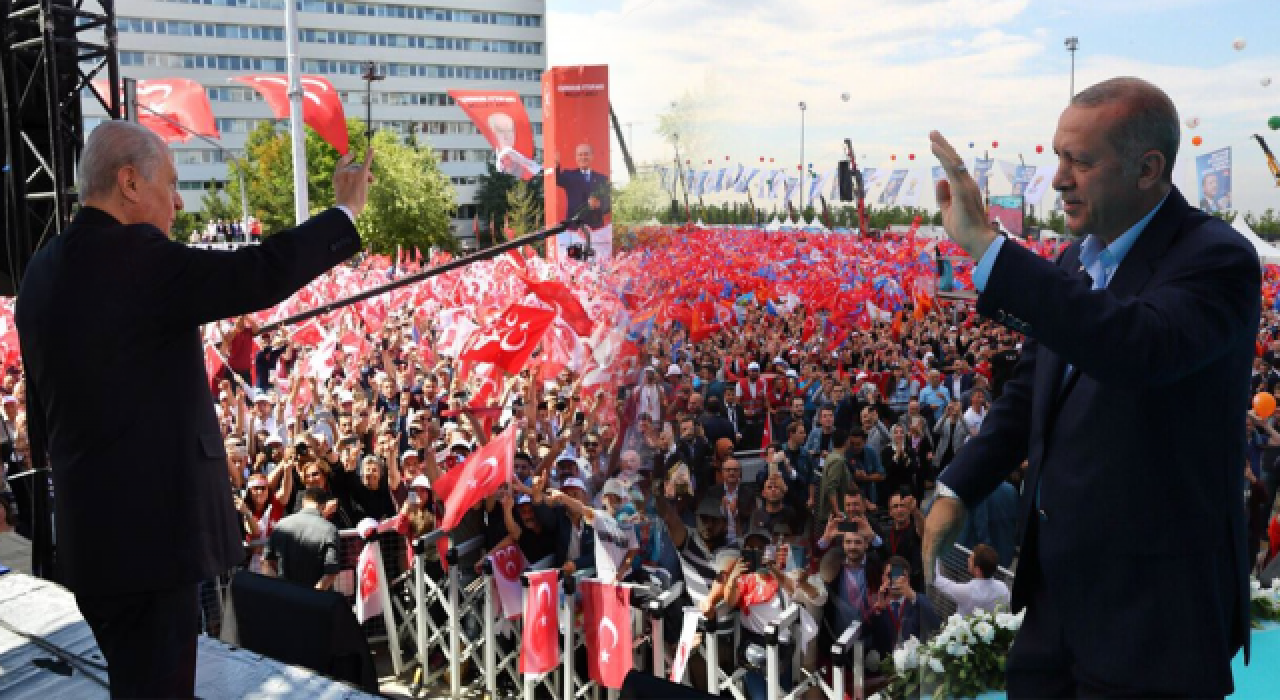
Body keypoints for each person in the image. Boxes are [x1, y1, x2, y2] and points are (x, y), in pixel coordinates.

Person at [15, 120, 372, 698]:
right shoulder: (139, 259)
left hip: (91, 544)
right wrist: (344, 214)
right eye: (173, 184)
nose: (179, 201)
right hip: (151, 551)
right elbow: (257, 271)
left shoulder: (42, 269)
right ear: (129, 183)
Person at [923, 78, 1257, 697]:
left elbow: (1135, 346)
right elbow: (1028, 396)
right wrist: (957, 489)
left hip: (1157, 617)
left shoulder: (1218, 260)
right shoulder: (1073, 263)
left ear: (1147, 168)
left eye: (1080, 160)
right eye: (1057, 155)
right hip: (1056, 599)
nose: (1057, 178)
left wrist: (988, 249)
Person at [261, 487, 341, 591]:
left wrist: (278, 590)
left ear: (303, 502)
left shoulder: (280, 525)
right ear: (324, 506)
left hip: (286, 597)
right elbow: (331, 572)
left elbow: (266, 562)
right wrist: (313, 596)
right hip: (315, 602)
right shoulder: (329, 529)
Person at [932, 543, 1010, 617]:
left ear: (978, 570)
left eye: (971, 558)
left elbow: (936, 578)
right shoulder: (1004, 589)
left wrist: (933, 551)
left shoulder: (966, 591)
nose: (968, 559)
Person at [554, 142, 610, 230]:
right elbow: (556, 179)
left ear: (592, 156)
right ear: (576, 157)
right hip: (574, 228)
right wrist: (556, 165)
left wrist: (599, 204)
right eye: (580, 155)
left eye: (586, 154)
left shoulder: (602, 179)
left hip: (595, 229)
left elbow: (608, 204)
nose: (583, 158)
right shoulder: (569, 176)